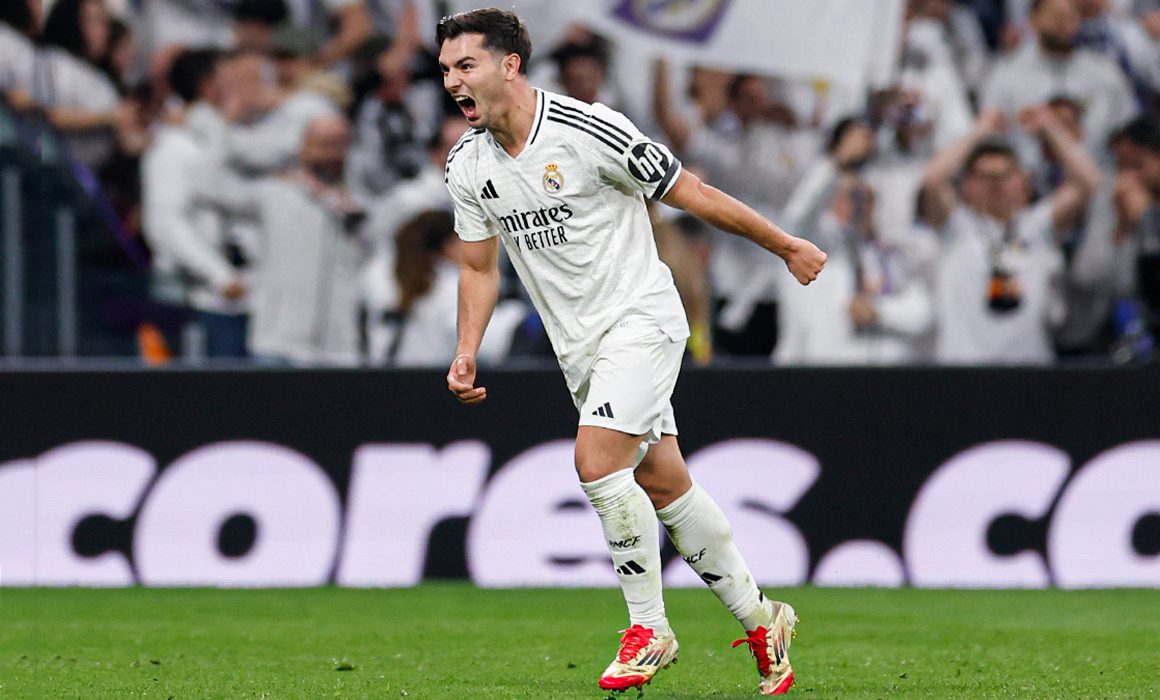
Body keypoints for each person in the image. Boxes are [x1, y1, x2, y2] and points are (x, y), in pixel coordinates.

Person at [436, 8, 825, 696]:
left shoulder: (590, 128)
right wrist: (467, 348)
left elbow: (693, 194)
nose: (452, 82)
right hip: (579, 349)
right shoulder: (467, 165)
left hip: (642, 320)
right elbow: (477, 268)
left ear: (510, 65)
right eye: (445, 70)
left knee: (595, 461)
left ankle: (650, 626)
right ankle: (764, 618)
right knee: (664, 482)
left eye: (465, 65)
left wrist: (787, 246)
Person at [920, 107, 1102, 364]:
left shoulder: (1037, 226)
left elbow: (1089, 182)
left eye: (1004, 175)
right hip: (963, 367)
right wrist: (979, 131)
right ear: (966, 186)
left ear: (1023, 182)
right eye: (984, 176)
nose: (995, 184)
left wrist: (1049, 127)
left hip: (1029, 367)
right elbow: (932, 178)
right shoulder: (955, 226)